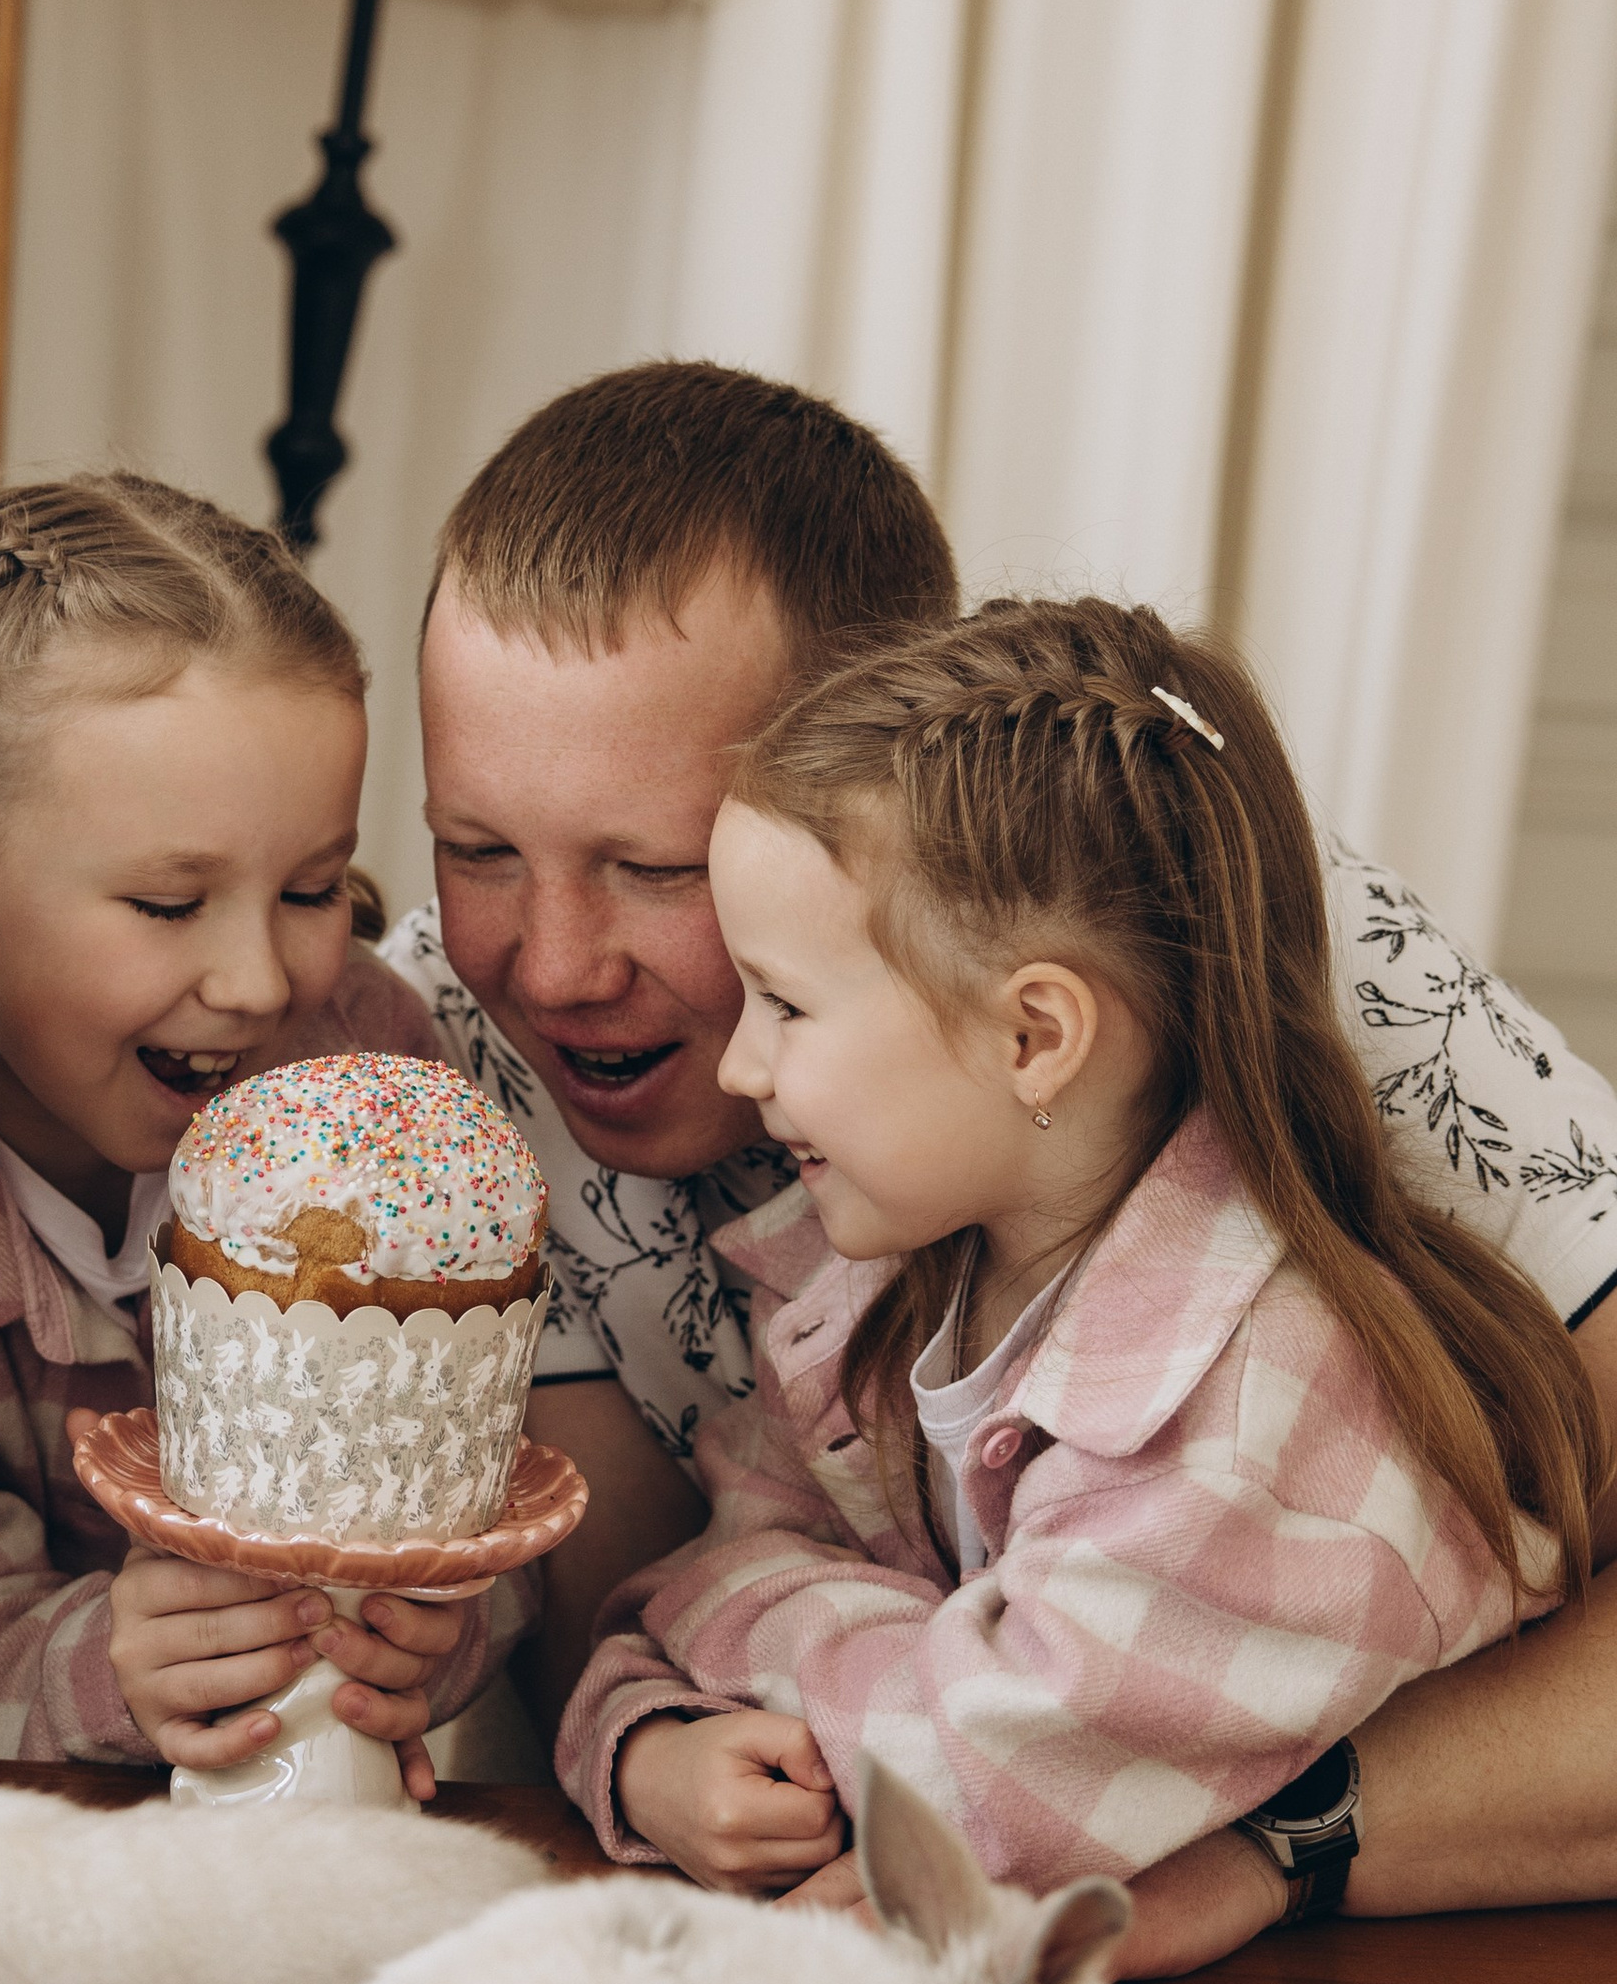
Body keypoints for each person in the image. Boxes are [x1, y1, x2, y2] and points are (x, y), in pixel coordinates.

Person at [386, 361, 1617, 1954]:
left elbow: (964, 1757)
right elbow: (644, 1630)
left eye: (657, 866)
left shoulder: (1208, 911)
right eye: (475, 845)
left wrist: (1268, 1842)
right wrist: (665, 1727)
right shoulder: (433, 1055)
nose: (548, 967)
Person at [554, 599, 1602, 1893]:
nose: (741, 1063)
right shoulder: (882, 1287)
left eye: (787, 1001)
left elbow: (963, 1791)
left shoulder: (1261, 1407)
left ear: (1035, 1037)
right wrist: (653, 1746)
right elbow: (700, 1574)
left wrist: (783, 1640)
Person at [0, 474, 509, 1791]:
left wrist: (429, 1640)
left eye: (312, 887)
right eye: (170, 903)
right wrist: (112, 1665)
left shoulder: (370, 1064)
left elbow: (480, 1477)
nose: (259, 980)